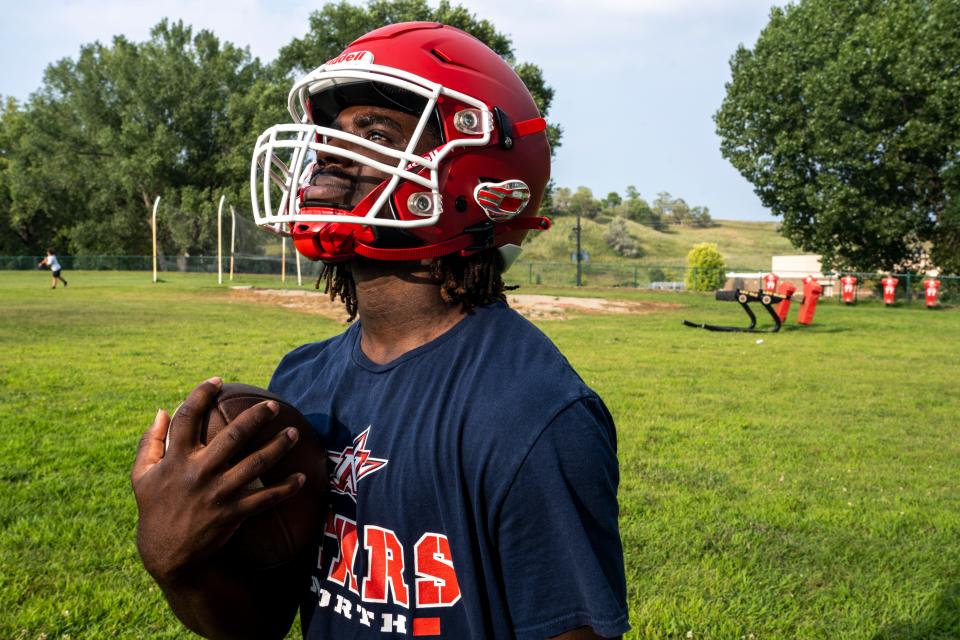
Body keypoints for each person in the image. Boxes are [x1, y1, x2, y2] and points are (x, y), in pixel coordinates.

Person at [132, 22, 628, 639]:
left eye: (374, 133)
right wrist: (177, 563)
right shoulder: (301, 376)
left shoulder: (531, 414)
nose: (333, 156)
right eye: (334, 135)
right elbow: (258, 623)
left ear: (472, 177)